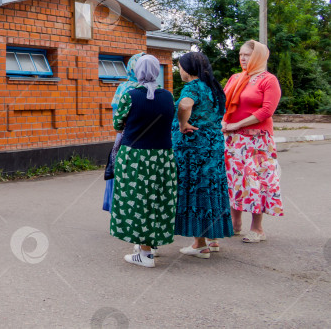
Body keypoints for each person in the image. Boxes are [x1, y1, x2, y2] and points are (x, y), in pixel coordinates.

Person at [110, 54, 177, 268]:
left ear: (137, 71)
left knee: (138, 201)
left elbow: (117, 124)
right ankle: (150, 244)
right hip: (163, 156)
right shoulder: (168, 97)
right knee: (157, 198)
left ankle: (145, 254)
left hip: (136, 155)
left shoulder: (130, 96)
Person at [172, 52, 234, 259]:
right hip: (213, 145)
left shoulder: (193, 87)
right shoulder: (214, 88)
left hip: (194, 149)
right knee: (212, 187)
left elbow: (184, 105)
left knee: (197, 189)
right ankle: (213, 239)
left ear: (188, 69)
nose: (179, 70)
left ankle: (199, 244)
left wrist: (182, 124)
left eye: (180, 66)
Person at [222, 39, 283, 243]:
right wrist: (223, 123)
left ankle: (257, 228)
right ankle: (235, 222)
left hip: (258, 141)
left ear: (258, 57)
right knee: (234, 180)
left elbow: (266, 111)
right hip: (234, 139)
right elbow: (225, 104)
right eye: (240, 54)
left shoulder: (268, 80)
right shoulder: (235, 78)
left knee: (257, 181)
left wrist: (237, 124)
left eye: (247, 55)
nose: (242, 58)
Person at [103, 52, 145, 212]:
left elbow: (117, 122)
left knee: (121, 171)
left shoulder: (124, 87)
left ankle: (120, 210)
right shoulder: (156, 89)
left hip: (125, 137)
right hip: (147, 138)